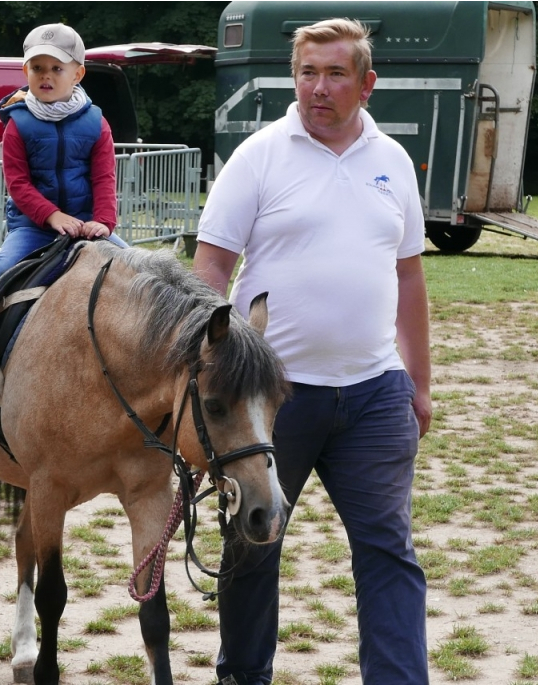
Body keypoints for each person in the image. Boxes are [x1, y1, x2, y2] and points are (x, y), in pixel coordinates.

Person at [192, 18, 433, 685]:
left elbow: (409, 275)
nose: (318, 88)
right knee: (251, 545)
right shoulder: (261, 155)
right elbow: (211, 269)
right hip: (271, 398)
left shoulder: (391, 161)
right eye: (307, 72)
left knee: (389, 551)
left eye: (334, 74)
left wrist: (419, 382)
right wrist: (208, 373)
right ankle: (243, 674)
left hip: (375, 390)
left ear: (367, 83)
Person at [0, 22, 124, 392]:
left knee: (138, 271)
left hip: (87, 224)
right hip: (33, 227)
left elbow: (104, 178)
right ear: (26, 72)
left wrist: (103, 221)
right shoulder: (18, 123)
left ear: (78, 73)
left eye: (57, 68)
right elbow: (18, 184)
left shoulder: (96, 123)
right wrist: (51, 216)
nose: (46, 76)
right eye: (37, 68)